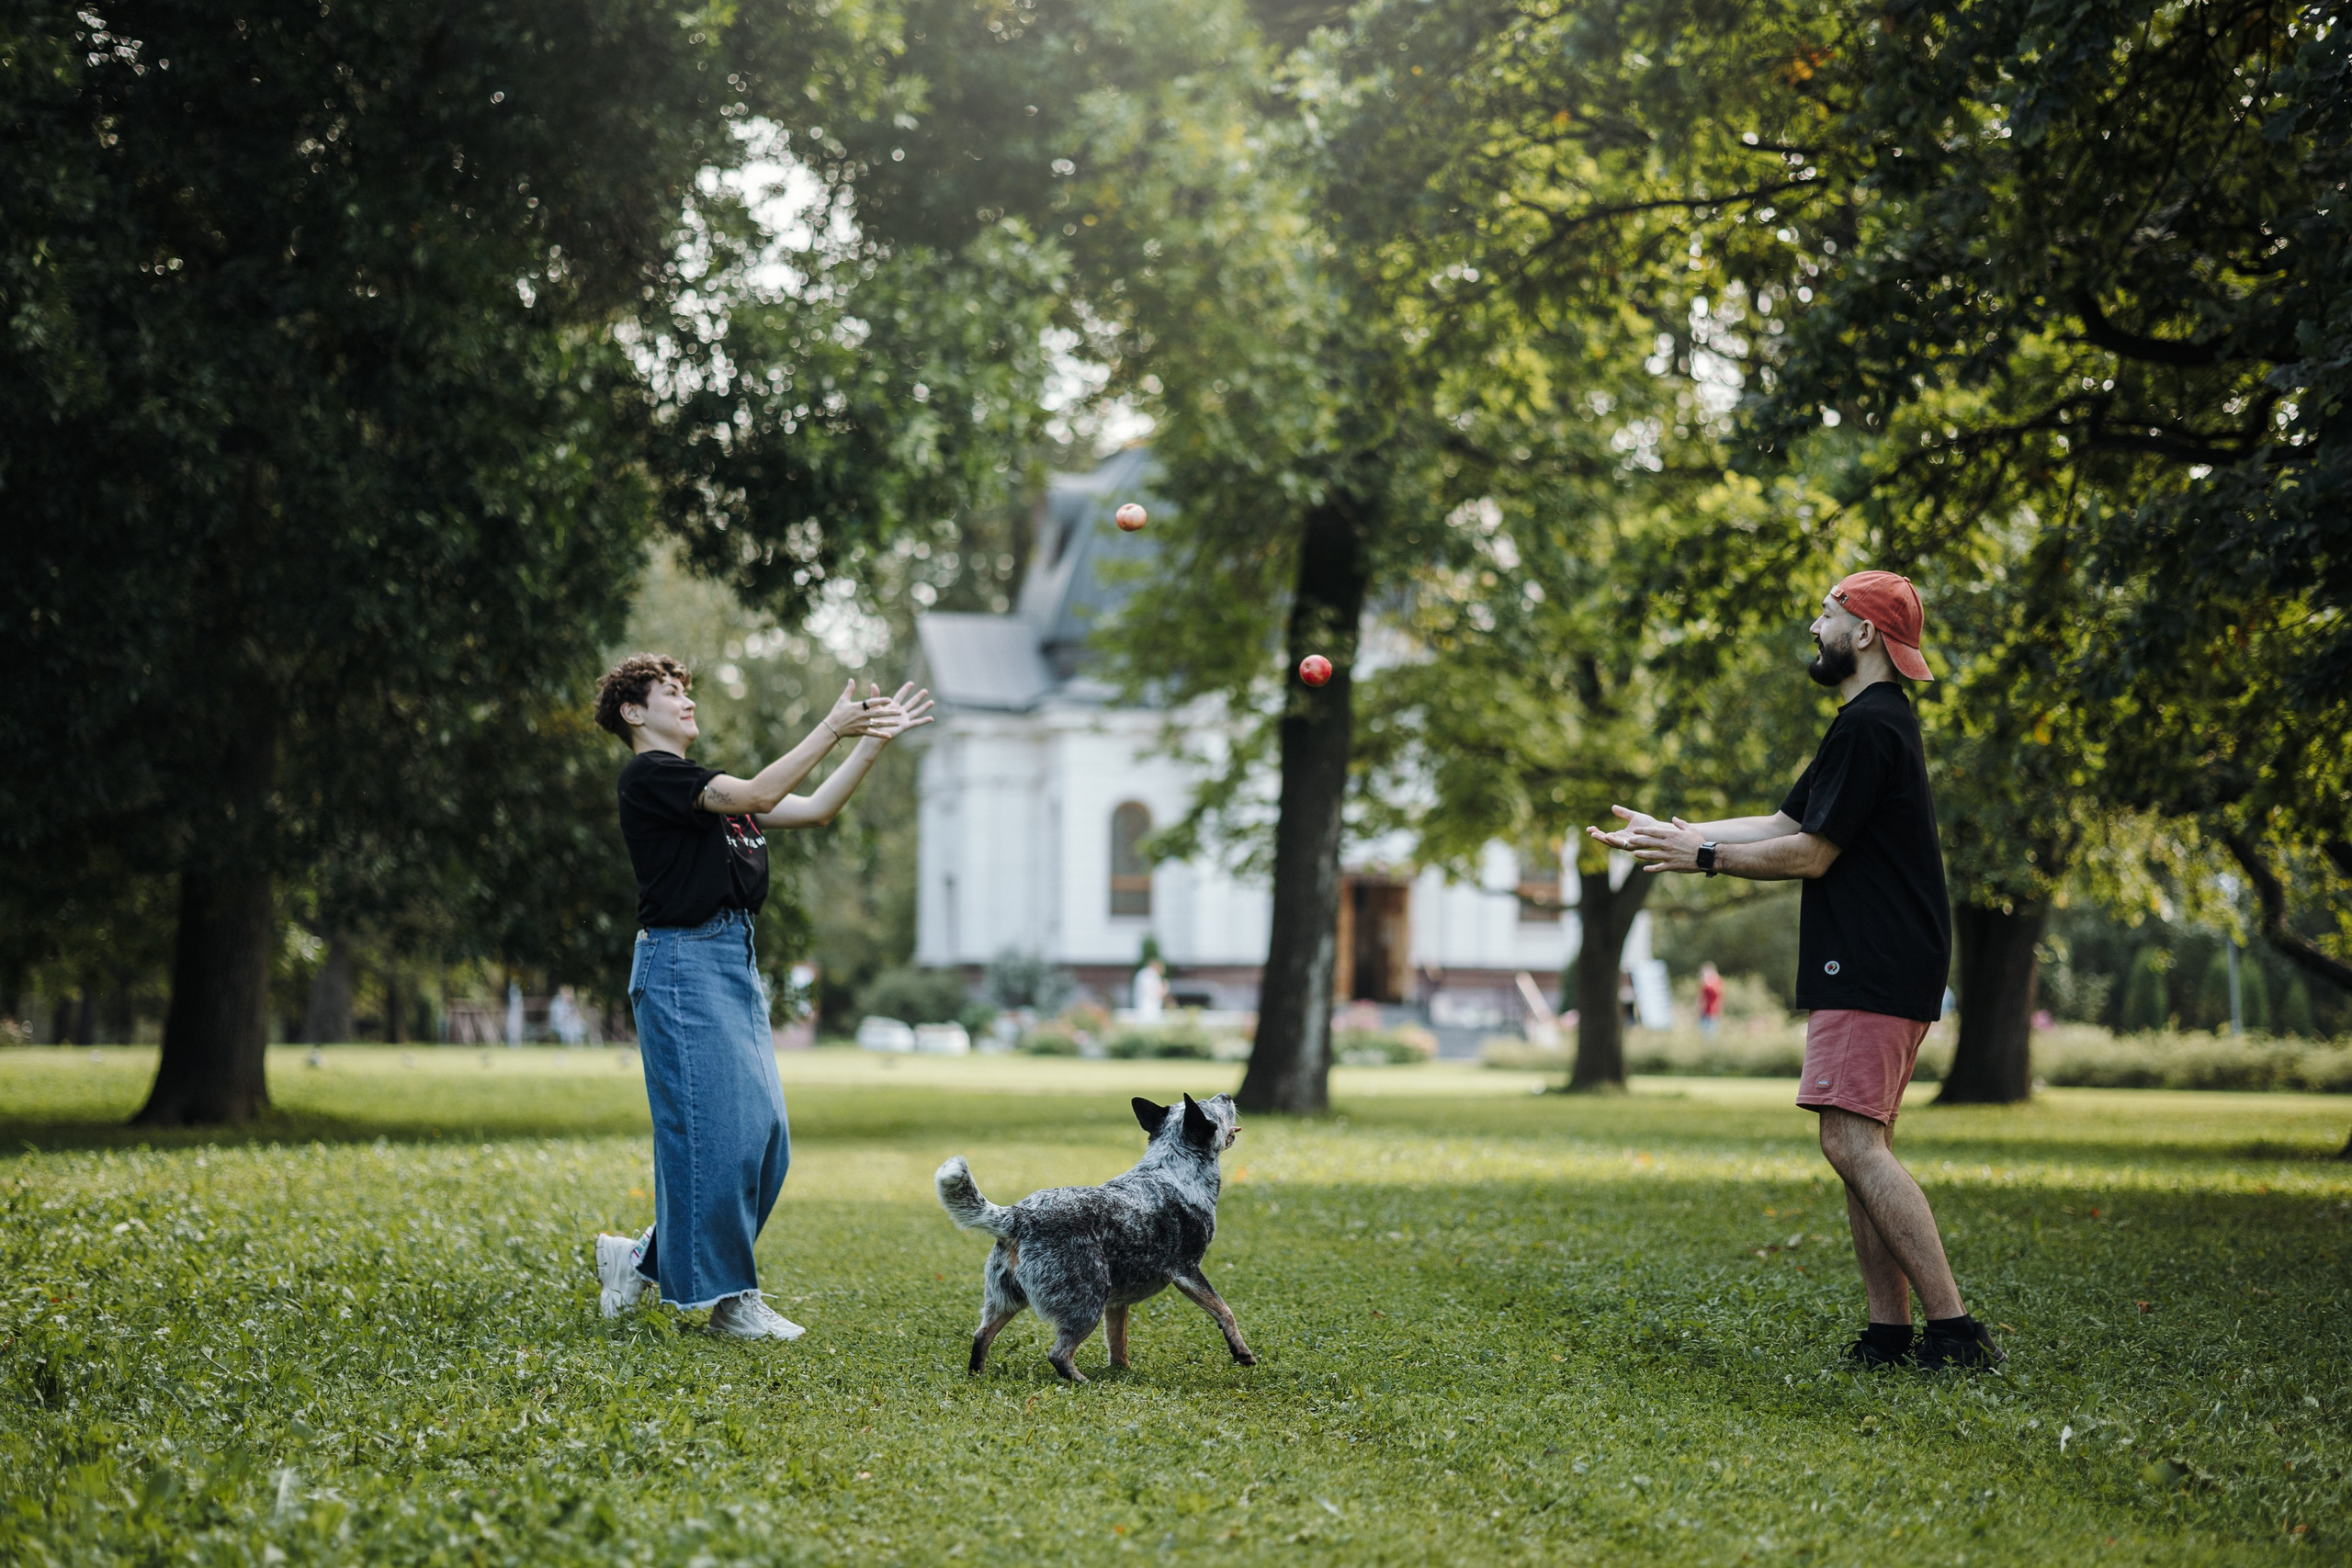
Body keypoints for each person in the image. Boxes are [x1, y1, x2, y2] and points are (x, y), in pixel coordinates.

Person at [1588, 572, 2002, 1371]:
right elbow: (1787, 820)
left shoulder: (1872, 726)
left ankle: (1954, 1331)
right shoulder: (1868, 723)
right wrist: (1671, 831)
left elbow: (1810, 853)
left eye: (1827, 614)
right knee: (1858, 1143)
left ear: (1867, 635)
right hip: (1881, 960)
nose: (1814, 626)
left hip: (1873, 962)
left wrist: (1703, 857)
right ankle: (1889, 1335)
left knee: (1852, 1141)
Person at [590, 654, 932, 1339]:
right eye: (671, 693)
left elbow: (816, 807)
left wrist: (869, 742)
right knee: (725, 1135)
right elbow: (760, 795)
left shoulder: (699, 788)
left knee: (766, 1137)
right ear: (634, 712)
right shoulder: (654, 776)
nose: (687, 702)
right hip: (682, 961)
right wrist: (830, 727)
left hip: (729, 961)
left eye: (688, 690)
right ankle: (729, 1300)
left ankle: (639, 1259)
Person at [1698, 962, 1724, 1041]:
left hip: (1713, 1012)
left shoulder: (1716, 982)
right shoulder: (1704, 984)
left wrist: (1707, 982)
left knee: (1711, 1034)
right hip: (1704, 1011)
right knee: (1704, 1033)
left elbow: (1717, 995)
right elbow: (1701, 998)